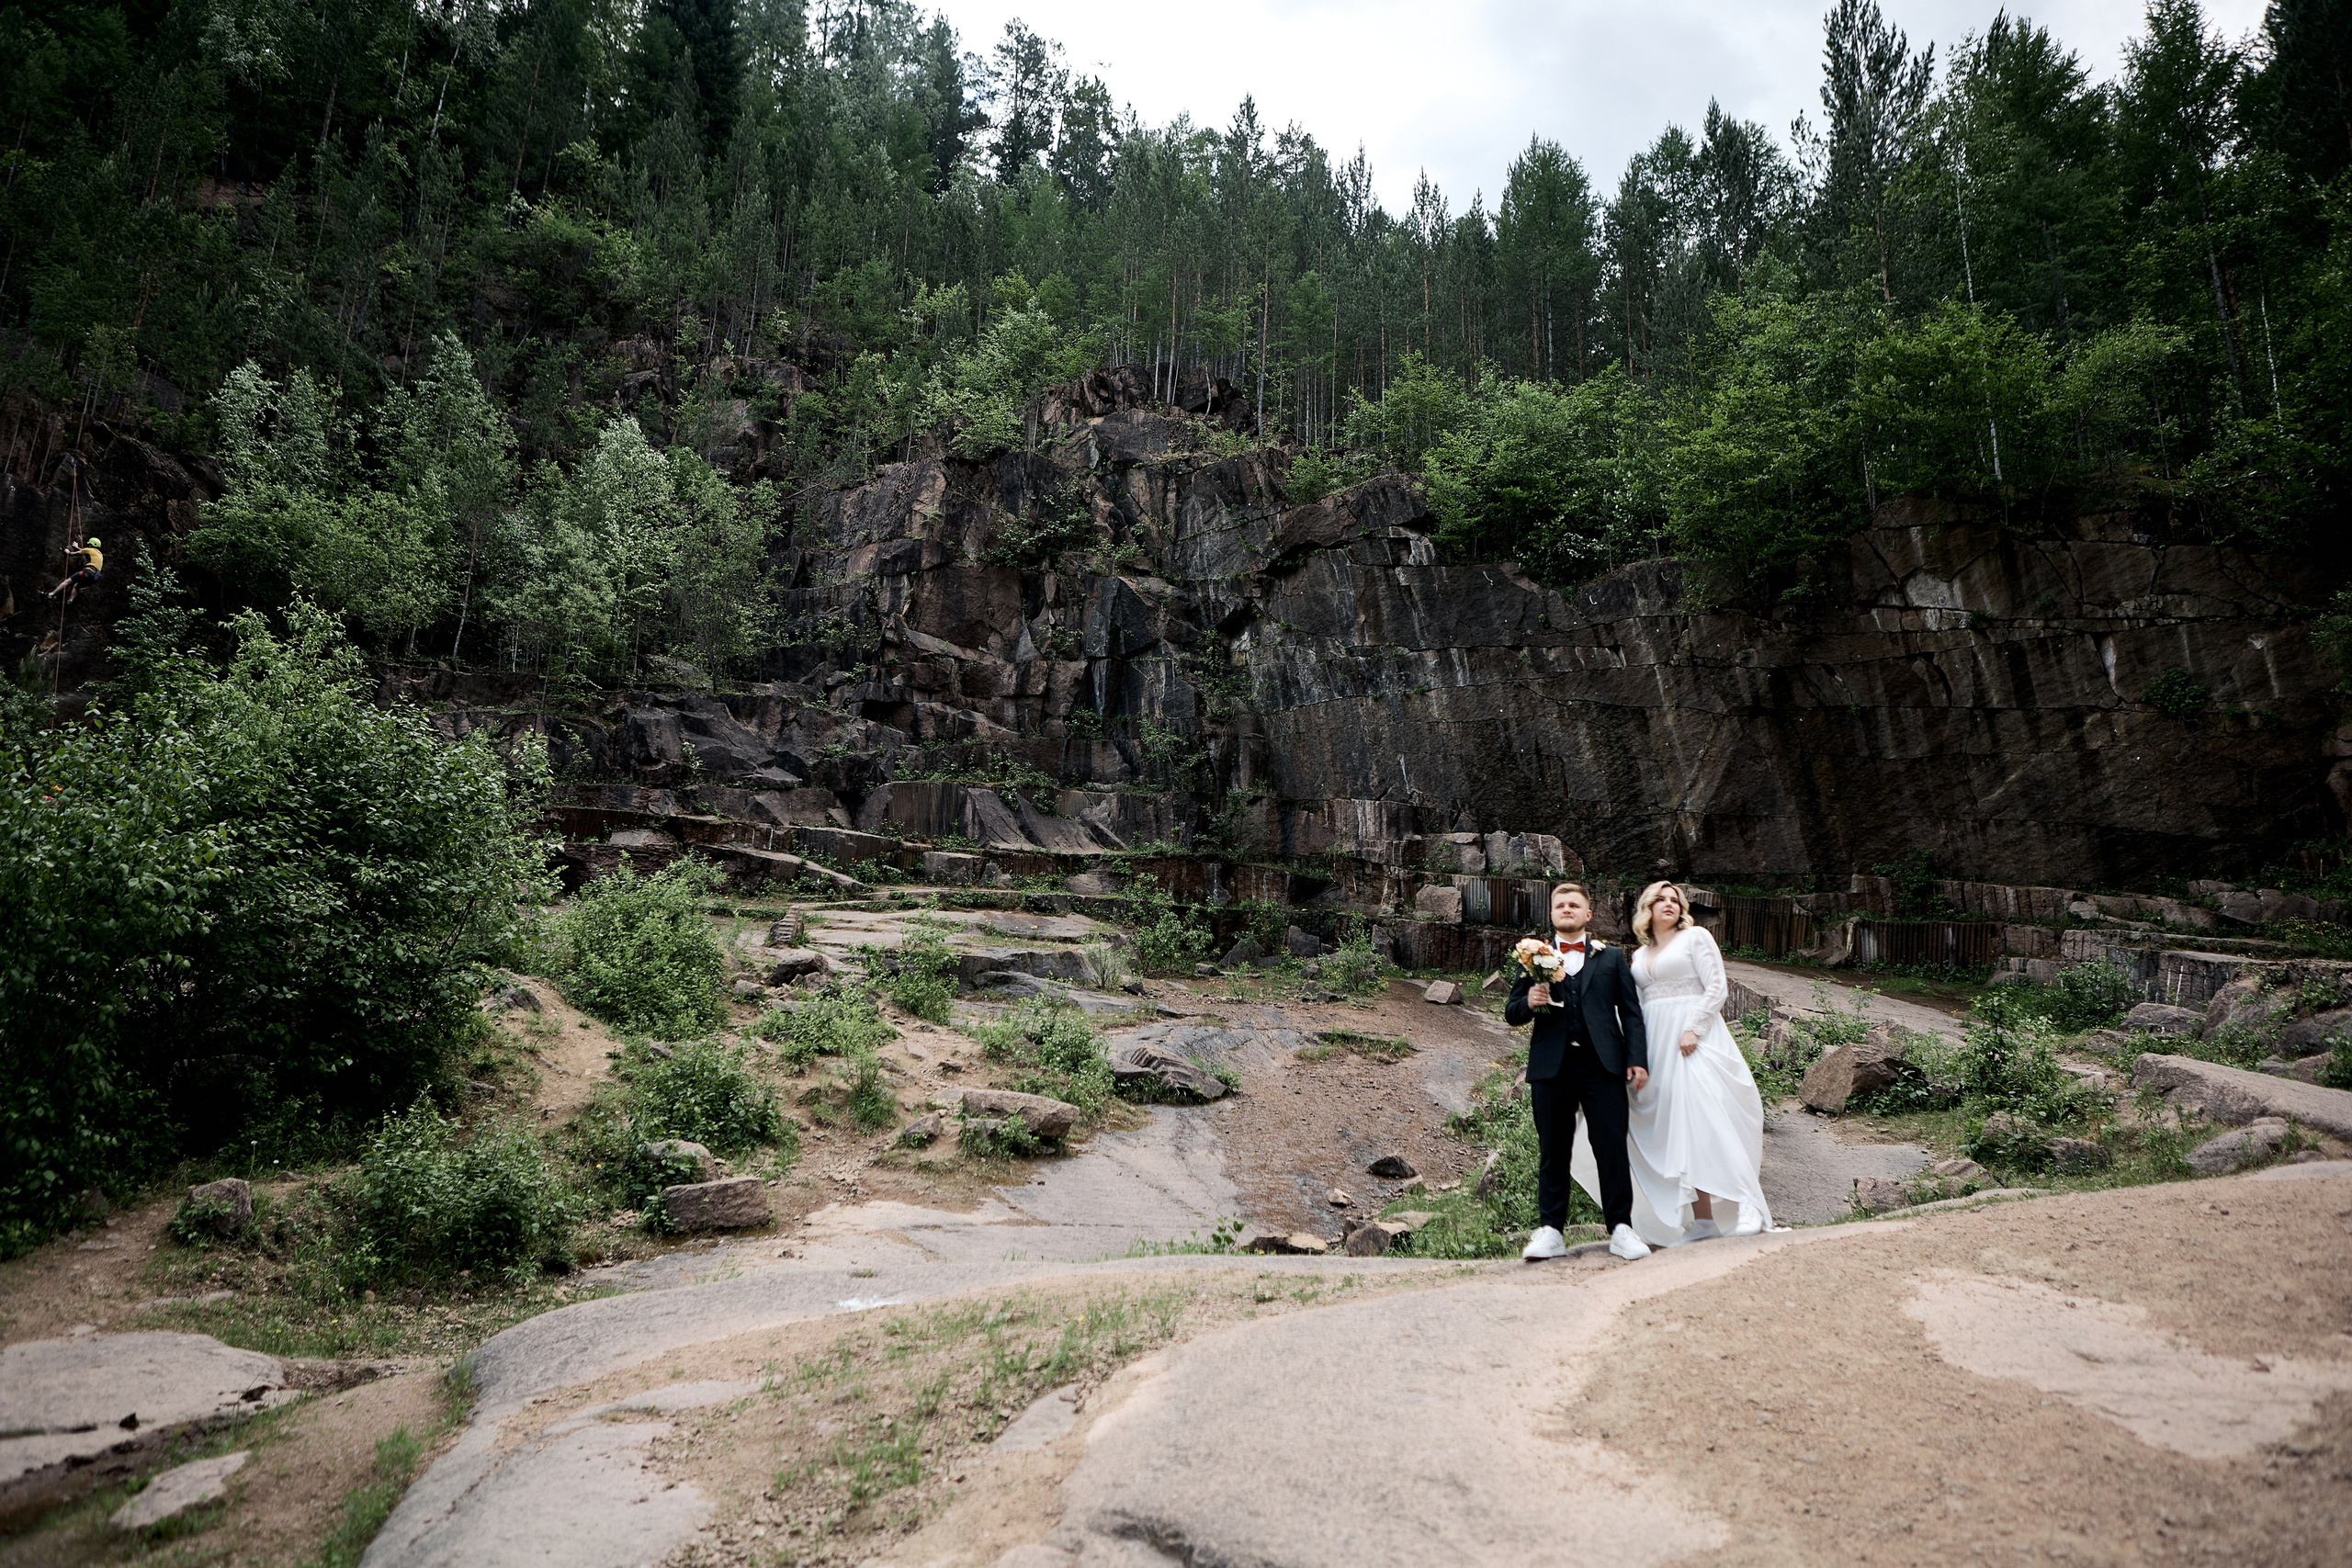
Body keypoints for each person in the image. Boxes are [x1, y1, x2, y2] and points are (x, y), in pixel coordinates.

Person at [1504, 881, 1653, 1263]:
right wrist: (1530, 1002)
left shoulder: (1613, 957)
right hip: (1551, 1067)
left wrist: (1637, 1059)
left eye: (1574, 905)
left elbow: (1632, 1013)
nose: (1566, 909)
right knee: (1553, 1150)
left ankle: (1621, 1229)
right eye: (1560, 905)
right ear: (1552, 914)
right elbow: (1512, 1011)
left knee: (1611, 1148)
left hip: (1603, 1065)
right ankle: (1551, 1230)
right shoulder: (1533, 958)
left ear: (1588, 915)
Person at [1621, 880, 1772, 1245]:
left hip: (1694, 1041)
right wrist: (1633, 1054)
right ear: (1648, 908)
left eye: (1676, 900)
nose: (1669, 904)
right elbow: (1635, 1008)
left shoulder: (1696, 938)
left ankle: (1746, 1203)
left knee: (1708, 1119)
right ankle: (1704, 1221)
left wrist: (1694, 1028)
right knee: (1682, 1132)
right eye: (1661, 899)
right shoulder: (1639, 956)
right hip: (1658, 1047)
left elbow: (1717, 987)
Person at [45, 536, 102, 604]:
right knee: (76, 586)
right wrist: (77, 547)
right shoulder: (100, 554)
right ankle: (70, 601)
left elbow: (72, 554)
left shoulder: (89, 550)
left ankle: (51, 594)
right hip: (95, 577)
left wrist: (67, 551)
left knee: (67, 581)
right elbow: (86, 552)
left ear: (91, 544)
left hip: (87, 571)